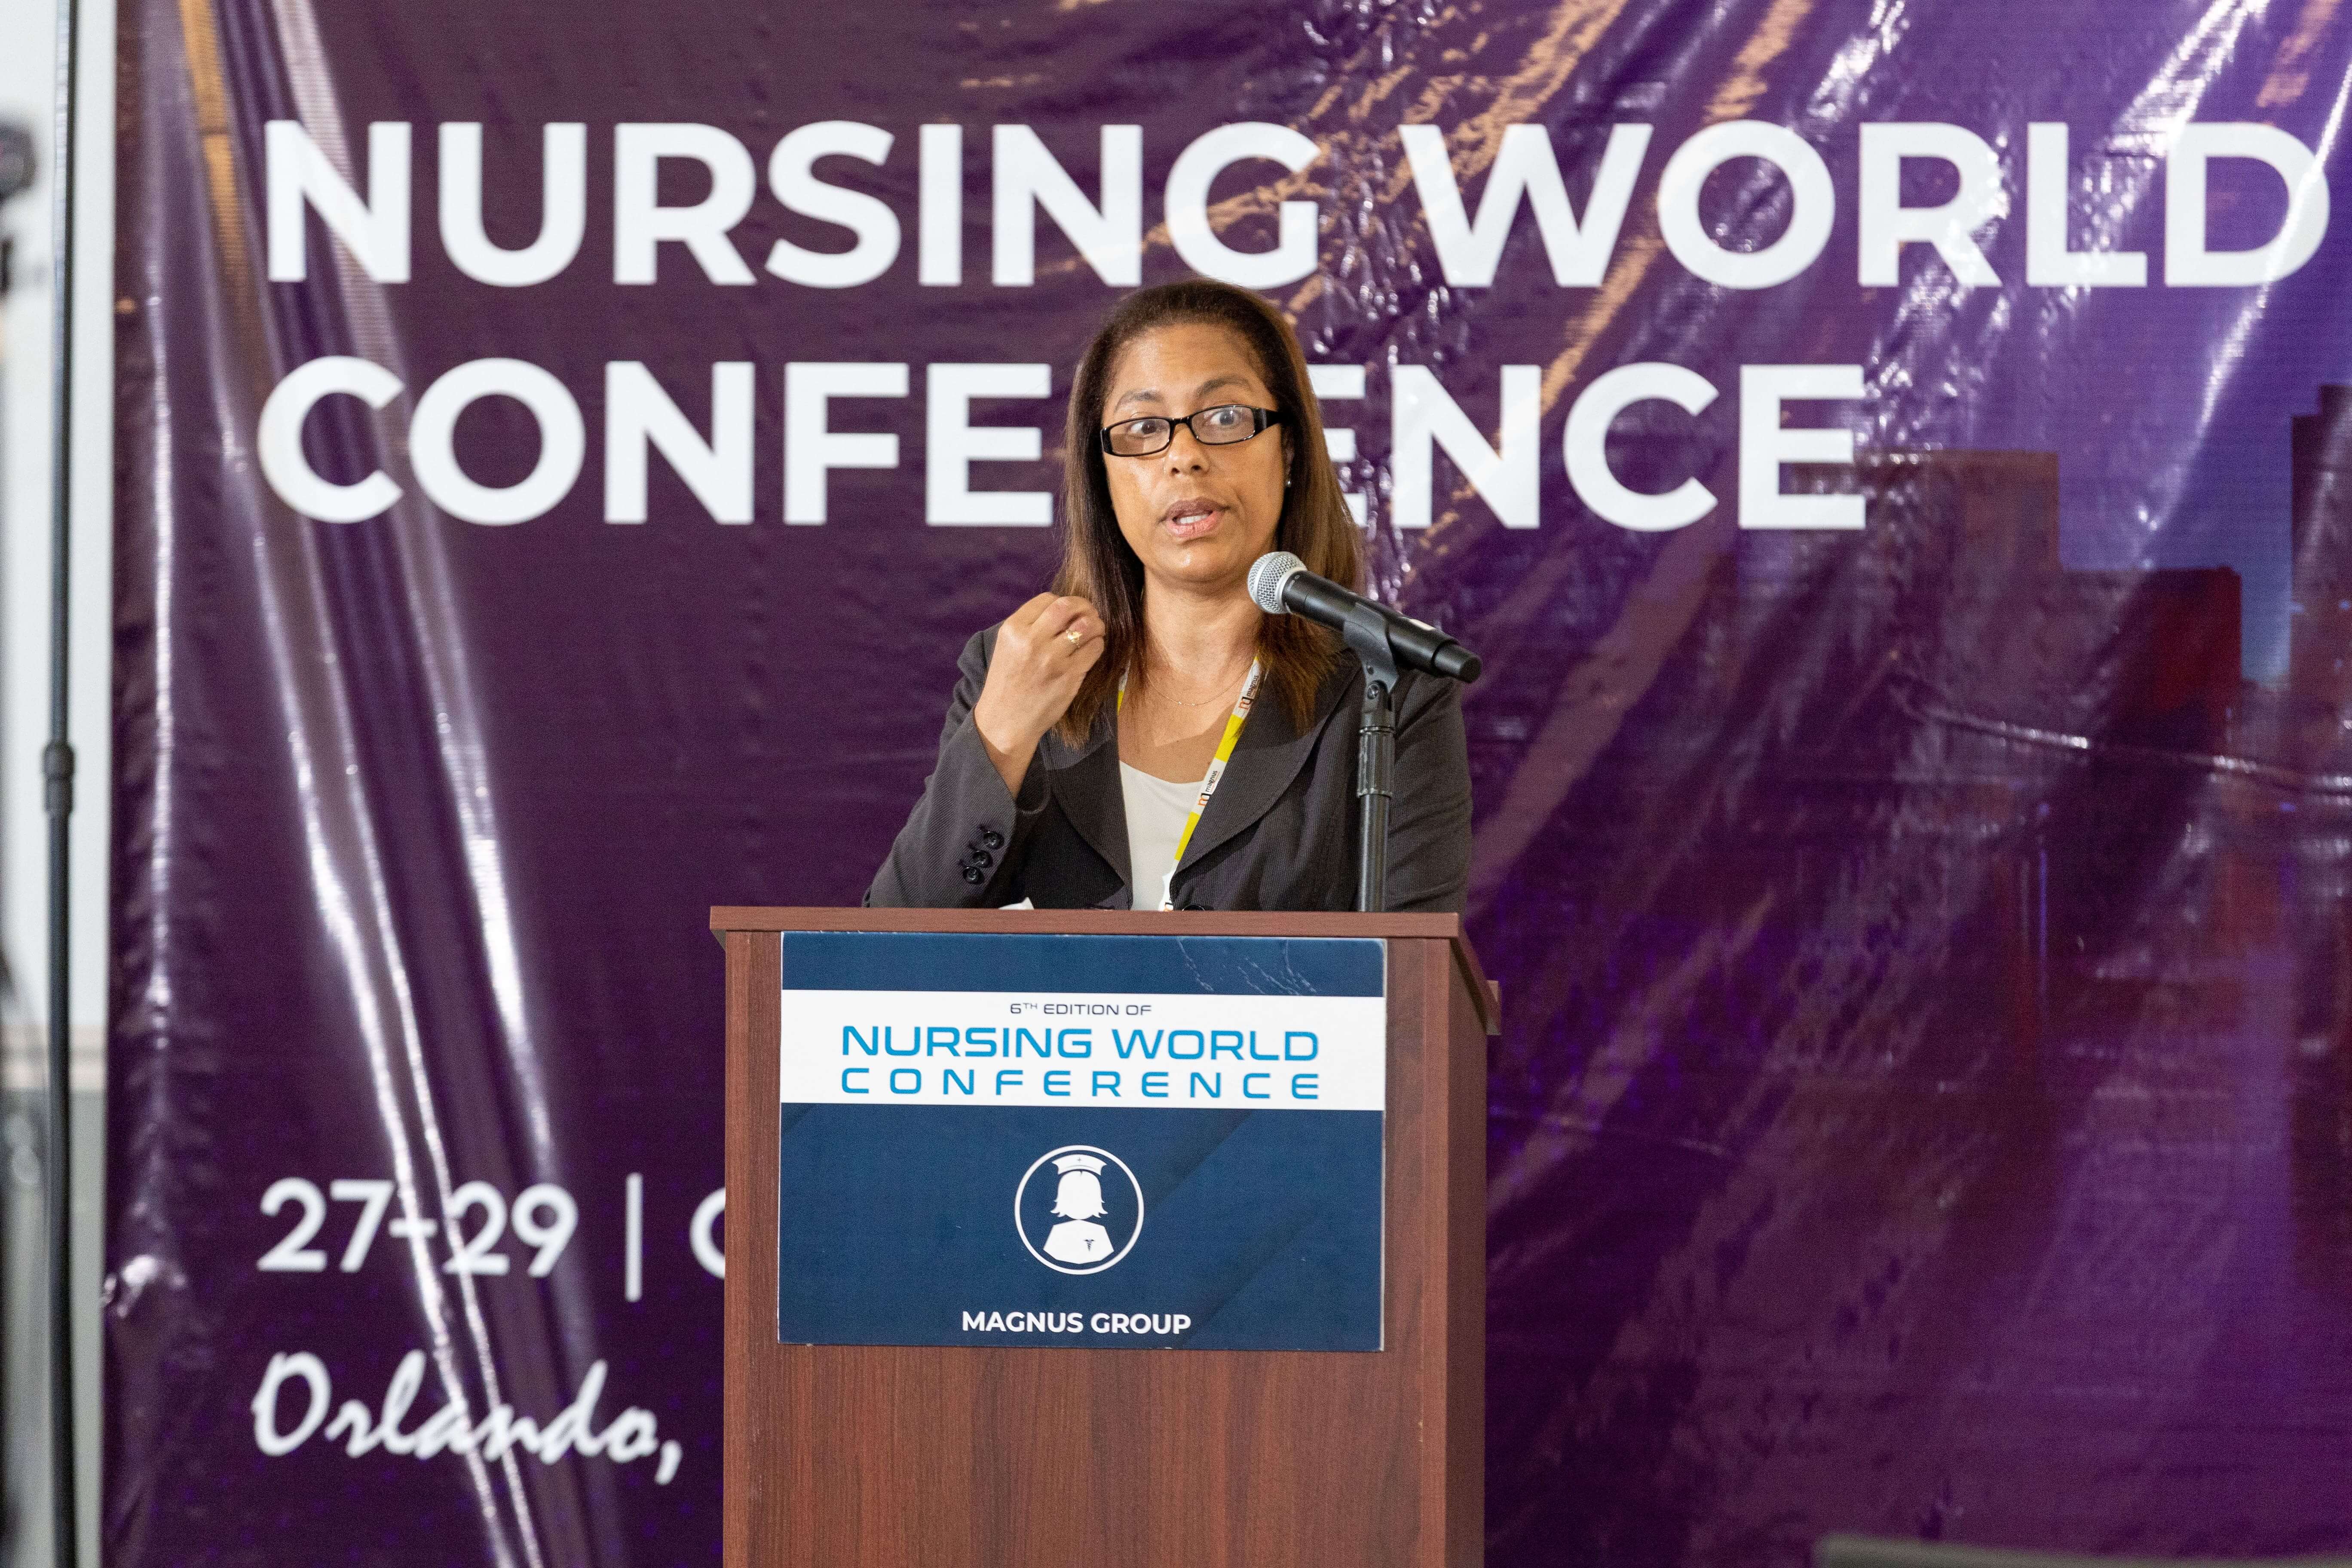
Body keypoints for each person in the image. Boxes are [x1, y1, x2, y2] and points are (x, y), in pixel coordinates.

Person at [866, 278, 1471, 912]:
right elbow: (889, 936)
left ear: (1288, 449)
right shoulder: (1017, 667)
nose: (1184, 456)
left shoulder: (1388, 688)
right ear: (1103, 473)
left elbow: (1414, 967)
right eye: (1143, 428)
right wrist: (1001, 737)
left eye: (1225, 418)